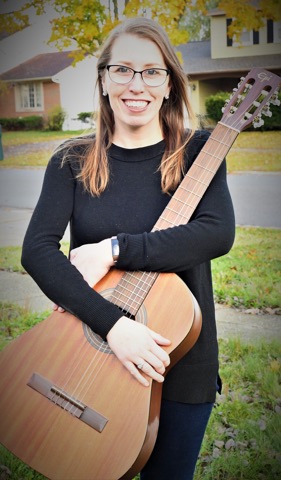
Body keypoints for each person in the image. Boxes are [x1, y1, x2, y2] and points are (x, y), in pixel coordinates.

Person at [21, 16, 235, 480]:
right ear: (102, 79)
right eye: (122, 70)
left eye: (151, 71)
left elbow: (217, 234)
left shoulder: (198, 154)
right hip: (89, 349)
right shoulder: (70, 161)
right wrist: (115, 326)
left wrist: (114, 249)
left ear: (169, 84)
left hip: (178, 359)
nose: (136, 84)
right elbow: (37, 251)